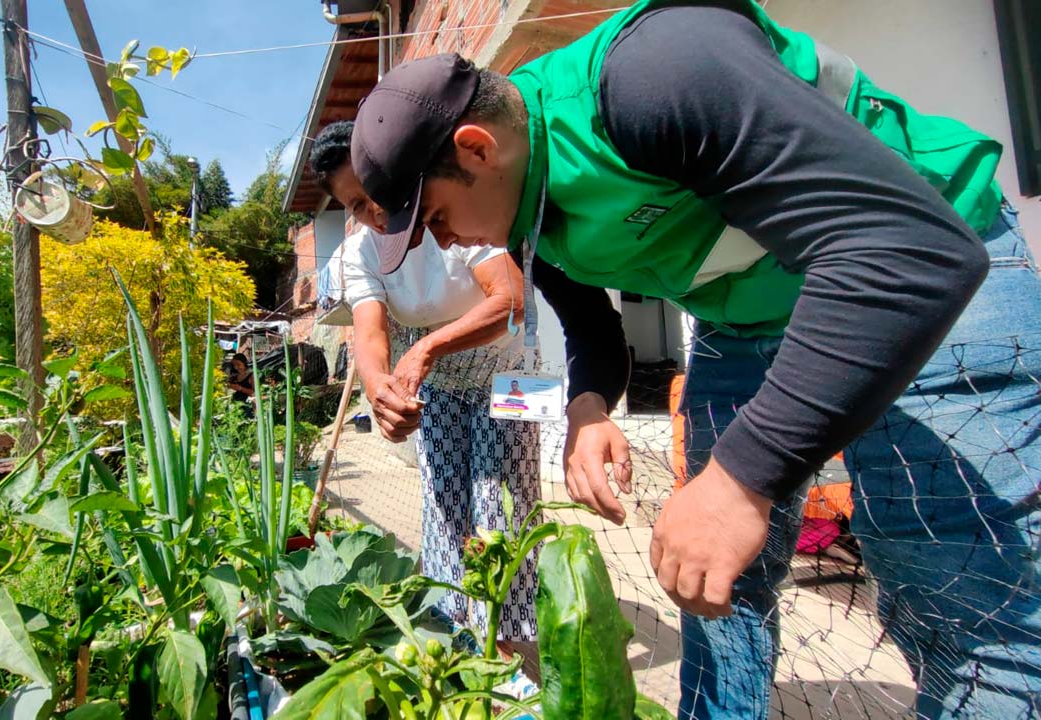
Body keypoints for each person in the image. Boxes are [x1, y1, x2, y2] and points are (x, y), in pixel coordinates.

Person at [347, 2, 1041, 718]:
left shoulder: (657, 72)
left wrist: (743, 478)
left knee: (966, 599)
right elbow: (592, 329)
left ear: (478, 149)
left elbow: (907, 252)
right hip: (743, 319)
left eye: (435, 220)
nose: (446, 244)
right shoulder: (528, 206)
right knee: (714, 578)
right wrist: (589, 406)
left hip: (920, 269)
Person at [308, 120, 624, 645]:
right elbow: (369, 333)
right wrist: (378, 387)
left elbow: (512, 302)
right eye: (356, 205)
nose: (374, 210)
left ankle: (508, 638)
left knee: (501, 502)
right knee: (444, 500)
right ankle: (456, 627)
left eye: (373, 192)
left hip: (514, 376)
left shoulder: (446, 215)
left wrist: (427, 346)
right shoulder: (360, 253)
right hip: (440, 382)